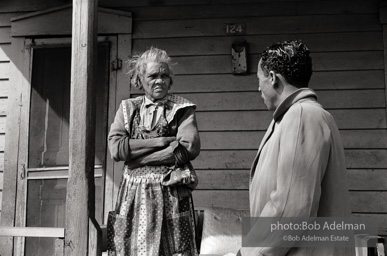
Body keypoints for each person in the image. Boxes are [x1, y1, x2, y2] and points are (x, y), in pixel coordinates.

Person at [227, 40, 353, 256]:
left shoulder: (302, 116)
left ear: (273, 78)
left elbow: (291, 207)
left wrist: (249, 253)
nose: (258, 87)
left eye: (260, 79)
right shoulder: (304, 115)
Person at [107, 47, 200, 256]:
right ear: (140, 79)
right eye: (153, 76)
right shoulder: (127, 108)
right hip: (133, 196)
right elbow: (116, 149)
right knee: (130, 247)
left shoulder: (182, 108)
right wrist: (160, 142)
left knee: (176, 249)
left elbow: (188, 147)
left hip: (171, 192)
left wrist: (137, 160)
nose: (160, 81)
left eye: (164, 75)